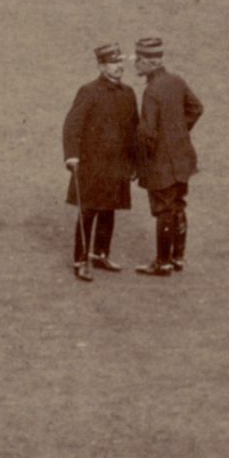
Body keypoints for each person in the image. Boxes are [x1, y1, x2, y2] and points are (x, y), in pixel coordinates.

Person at [62, 42, 140, 281]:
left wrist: (134, 162)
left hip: (117, 165)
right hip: (92, 164)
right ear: (101, 66)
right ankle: (80, 260)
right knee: (89, 211)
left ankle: (100, 254)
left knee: (109, 210)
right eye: (112, 63)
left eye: (119, 63)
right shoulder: (88, 91)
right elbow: (72, 125)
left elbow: (133, 130)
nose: (118, 68)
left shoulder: (128, 93)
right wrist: (72, 156)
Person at [131, 37, 204, 276]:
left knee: (163, 210)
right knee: (178, 206)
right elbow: (196, 108)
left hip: (161, 164)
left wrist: (140, 161)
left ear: (149, 63)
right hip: (183, 160)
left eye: (139, 61)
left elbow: (146, 132)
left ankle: (162, 262)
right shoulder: (176, 81)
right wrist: (178, 133)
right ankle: (177, 258)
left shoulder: (152, 91)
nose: (136, 66)